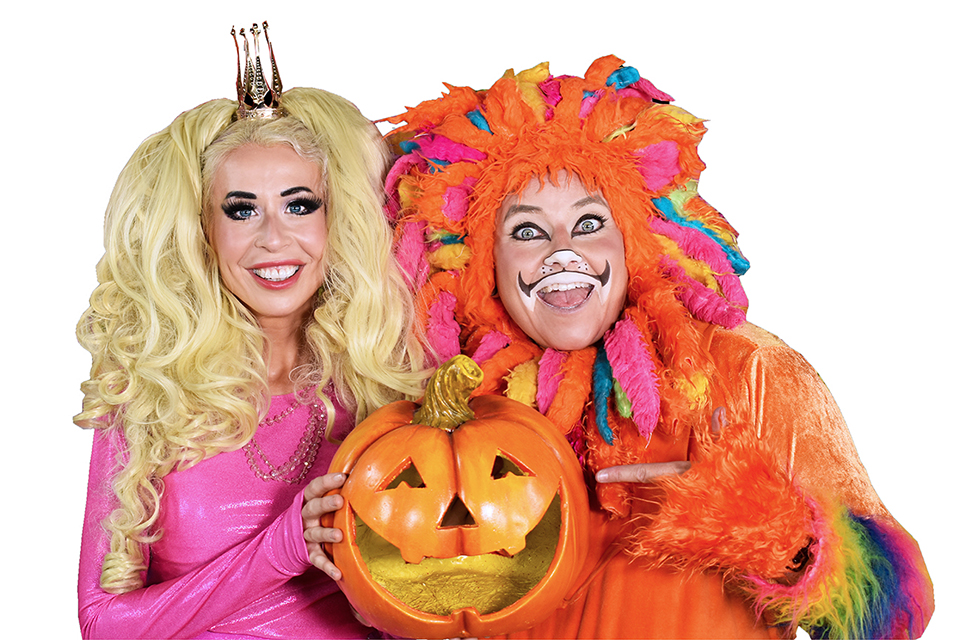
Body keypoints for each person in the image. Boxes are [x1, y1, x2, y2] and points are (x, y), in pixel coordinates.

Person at [382, 55, 934, 638]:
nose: (562, 252)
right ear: (481, 260)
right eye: (526, 231)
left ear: (636, 240)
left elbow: (893, 620)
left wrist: (771, 530)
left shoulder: (747, 370)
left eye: (589, 224)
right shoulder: (459, 408)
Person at [75, 24, 424, 638]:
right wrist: (282, 547)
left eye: (299, 205)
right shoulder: (151, 396)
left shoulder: (385, 388)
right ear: (203, 232)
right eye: (241, 210)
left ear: (336, 219)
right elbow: (103, 623)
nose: (273, 238)